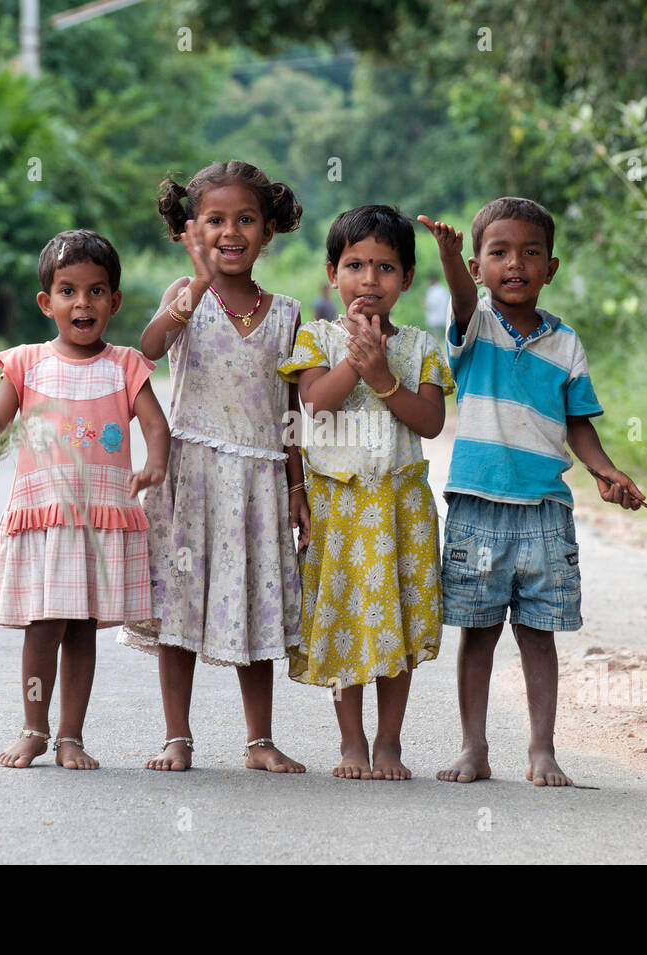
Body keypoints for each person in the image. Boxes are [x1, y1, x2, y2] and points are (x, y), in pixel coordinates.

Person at [418, 199, 646, 788]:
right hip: (477, 508)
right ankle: (474, 747)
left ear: (552, 267)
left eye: (530, 253)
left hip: (545, 511)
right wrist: (446, 260)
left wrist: (604, 470)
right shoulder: (473, 328)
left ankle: (542, 750)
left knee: (538, 634)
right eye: (498, 253)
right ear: (476, 266)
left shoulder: (566, 343)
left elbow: (578, 421)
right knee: (478, 632)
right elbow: (463, 302)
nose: (514, 264)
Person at [121, 161, 309, 774]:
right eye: (215, 221)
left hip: (259, 483)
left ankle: (259, 741)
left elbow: (290, 410)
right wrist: (195, 286)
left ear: (269, 229)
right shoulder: (185, 296)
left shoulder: (285, 311)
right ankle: (178, 736)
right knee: (178, 612)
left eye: (246, 219)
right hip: (191, 477)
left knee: (255, 604)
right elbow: (146, 350)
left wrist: (297, 484)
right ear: (190, 230)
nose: (231, 232)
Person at [0, 229, 170, 770]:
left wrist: (154, 463)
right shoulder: (28, 363)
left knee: (83, 628)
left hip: (101, 517)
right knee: (43, 624)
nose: (83, 302)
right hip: (47, 517)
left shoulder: (126, 365)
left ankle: (70, 736)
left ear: (114, 301)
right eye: (68, 291)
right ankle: (33, 728)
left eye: (96, 291)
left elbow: (156, 425)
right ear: (47, 302)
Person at [278, 205, 456, 781]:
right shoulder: (317, 339)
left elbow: (429, 422)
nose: (370, 280)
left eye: (385, 268)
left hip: (402, 508)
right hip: (340, 507)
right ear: (333, 273)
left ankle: (389, 744)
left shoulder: (421, 347)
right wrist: (358, 362)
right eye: (355, 265)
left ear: (406, 278)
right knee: (344, 622)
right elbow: (313, 407)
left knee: (396, 627)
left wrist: (384, 377)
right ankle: (351, 741)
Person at [424, 277, 449, 345]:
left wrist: (425, 304)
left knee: (435, 334)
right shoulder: (443, 289)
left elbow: (431, 303)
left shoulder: (432, 290)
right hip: (443, 315)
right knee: (443, 333)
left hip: (435, 316)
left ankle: (437, 344)